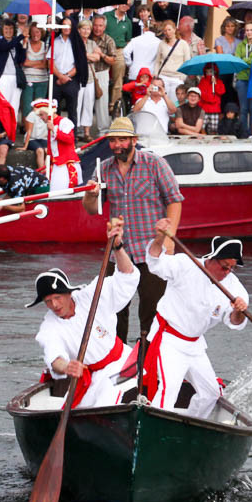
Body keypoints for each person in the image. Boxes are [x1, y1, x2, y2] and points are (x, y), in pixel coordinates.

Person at [83, 117, 182, 341]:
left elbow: (174, 201)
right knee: (114, 310)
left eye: (122, 140)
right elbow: (91, 209)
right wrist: (91, 194)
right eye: (113, 140)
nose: (118, 145)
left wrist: (169, 239)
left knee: (152, 310)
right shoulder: (104, 169)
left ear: (134, 140)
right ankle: (117, 358)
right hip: (119, 252)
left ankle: (148, 361)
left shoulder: (155, 163)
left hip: (152, 251)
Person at [142, 221, 248, 419]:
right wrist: (160, 237)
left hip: (195, 345)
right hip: (169, 339)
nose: (227, 273)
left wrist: (239, 311)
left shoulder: (234, 288)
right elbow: (154, 262)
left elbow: (234, 322)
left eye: (232, 268)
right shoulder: (185, 264)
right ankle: (155, 433)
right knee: (169, 390)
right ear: (213, 260)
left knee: (210, 394)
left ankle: (188, 426)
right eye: (225, 267)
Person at [31, 217, 140, 409]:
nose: (54, 305)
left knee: (108, 403)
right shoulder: (49, 327)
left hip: (124, 364)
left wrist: (118, 247)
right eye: (48, 301)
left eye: (57, 297)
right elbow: (54, 356)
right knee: (81, 411)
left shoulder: (93, 294)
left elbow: (126, 276)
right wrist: (67, 367)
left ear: (69, 293)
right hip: (94, 375)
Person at [37, 98, 81, 190]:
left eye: (41, 115)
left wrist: (54, 129)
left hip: (65, 164)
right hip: (55, 164)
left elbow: (69, 139)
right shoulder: (50, 125)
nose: (40, 117)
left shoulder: (64, 122)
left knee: (59, 191)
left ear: (48, 112)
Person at [153, 20, 190, 99]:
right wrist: (156, 75)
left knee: (174, 103)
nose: (167, 32)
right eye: (165, 30)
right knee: (161, 100)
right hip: (163, 77)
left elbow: (187, 62)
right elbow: (157, 61)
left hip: (177, 78)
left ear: (174, 29)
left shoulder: (183, 44)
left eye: (169, 30)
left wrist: (182, 77)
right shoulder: (162, 44)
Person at [19, 24, 48, 119]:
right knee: (27, 107)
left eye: (37, 31)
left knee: (40, 107)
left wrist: (31, 63)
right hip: (28, 80)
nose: (35, 34)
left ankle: (37, 131)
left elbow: (45, 64)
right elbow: (24, 62)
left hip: (42, 81)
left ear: (41, 32)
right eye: (33, 32)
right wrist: (39, 62)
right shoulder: (26, 44)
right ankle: (27, 130)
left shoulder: (45, 45)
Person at [198, 64, 224, 134]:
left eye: (211, 72)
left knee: (214, 128)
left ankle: (212, 143)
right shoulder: (202, 81)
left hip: (215, 109)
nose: (209, 74)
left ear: (215, 72)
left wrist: (215, 83)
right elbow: (201, 93)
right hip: (204, 108)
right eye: (207, 72)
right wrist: (210, 99)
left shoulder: (219, 81)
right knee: (201, 126)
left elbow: (221, 91)